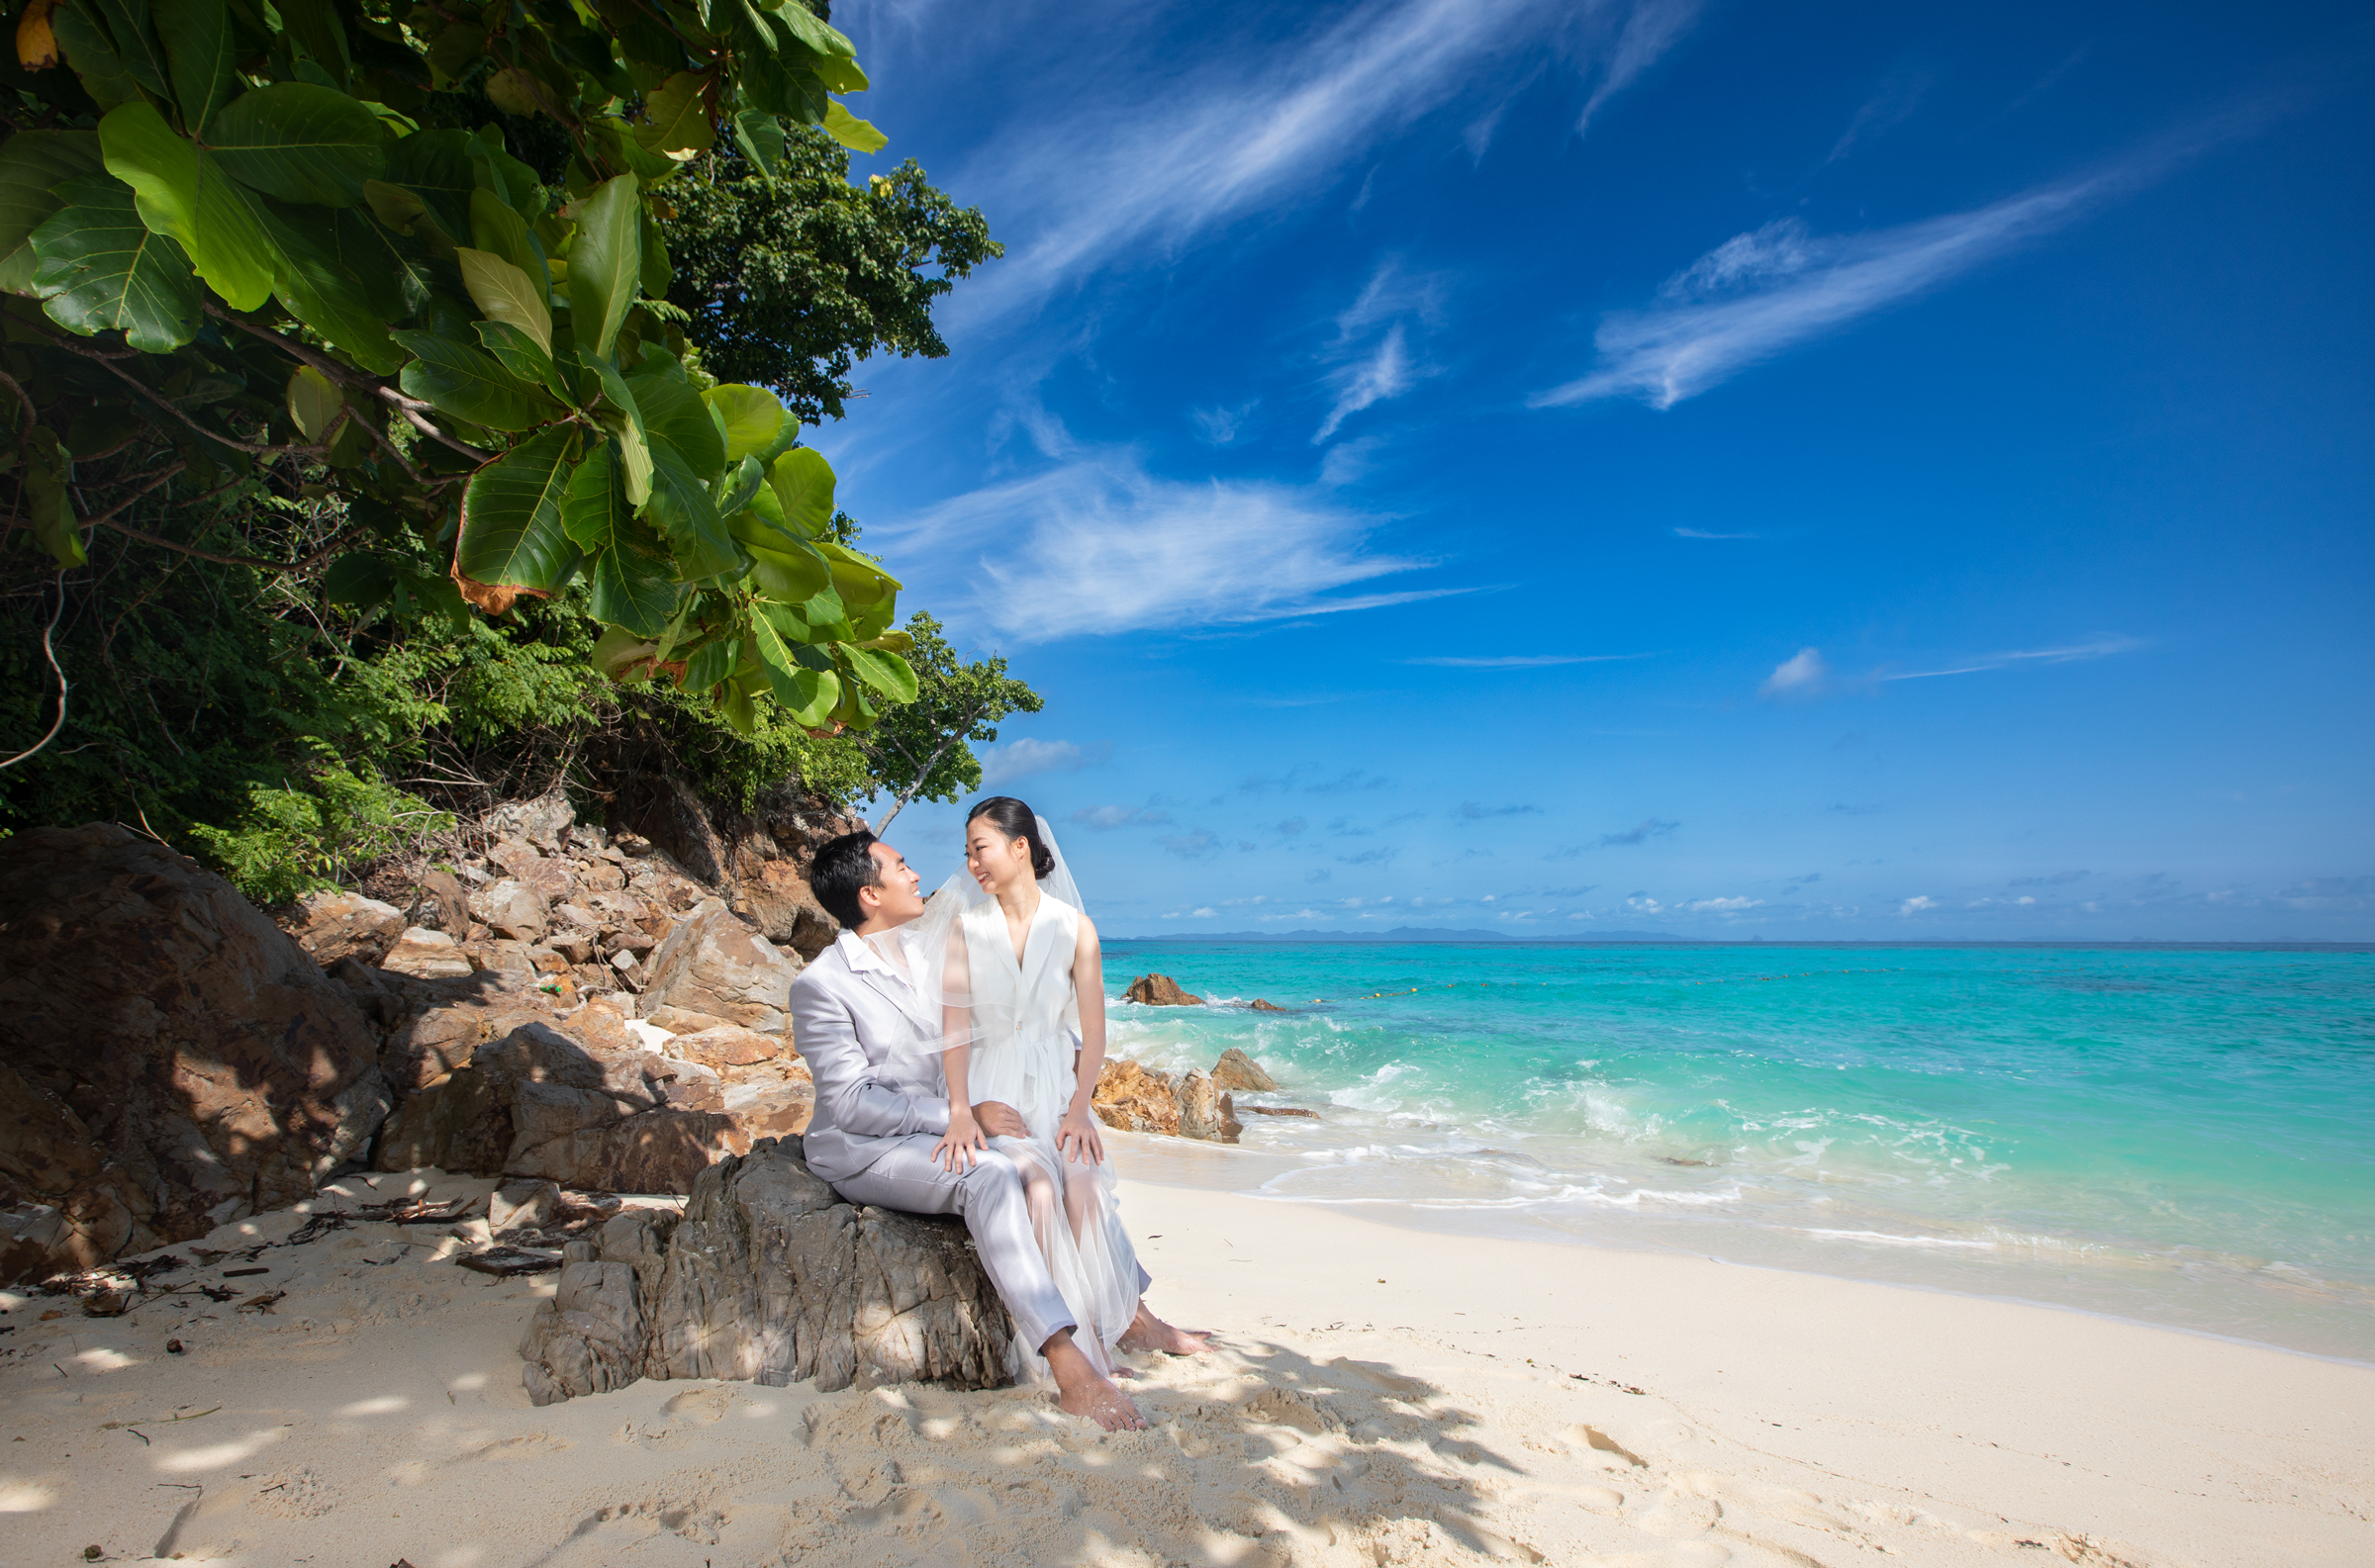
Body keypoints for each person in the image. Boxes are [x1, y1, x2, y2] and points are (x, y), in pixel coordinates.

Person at [788, 827, 1199, 1432]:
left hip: (949, 1123)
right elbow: (851, 1103)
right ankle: (1069, 1365)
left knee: (1058, 1155)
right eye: (900, 867)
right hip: (865, 1149)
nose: (916, 875)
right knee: (994, 1176)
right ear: (870, 894)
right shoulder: (821, 984)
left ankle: (1131, 1315)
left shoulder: (932, 948)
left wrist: (1061, 1091)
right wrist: (964, 1115)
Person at [921, 797, 1206, 1379]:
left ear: (1019, 846)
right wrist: (960, 1112)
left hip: (1056, 1090)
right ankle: (1081, 1351)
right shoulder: (963, 928)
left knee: (1086, 1188)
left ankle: (1123, 1322)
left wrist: (1080, 1109)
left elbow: (1094, 1033)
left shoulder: (1075, 928)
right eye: (968, 853)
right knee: (1041, 1191)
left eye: (981, 848)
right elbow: (953, 1032)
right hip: (994, 1085)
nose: (972, 863)